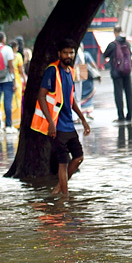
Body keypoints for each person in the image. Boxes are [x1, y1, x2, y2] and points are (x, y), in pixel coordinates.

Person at [32, 39, 91, 196]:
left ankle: (59, 189)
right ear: (59, 54)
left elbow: (71, 100)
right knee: (63, 162)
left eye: (71, 52)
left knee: (78, 157)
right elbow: (41, 96)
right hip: (56, 125)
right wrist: (51, 122)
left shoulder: (70, 71)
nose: (68, 55)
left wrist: (83, 119)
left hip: (68, 124)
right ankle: (64, 198)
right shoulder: (52, 70)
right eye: (65, 52)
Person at [102, 25, 132, 123]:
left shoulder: (113, 44)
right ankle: (129, 115)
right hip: (127, 71)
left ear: (114, 32)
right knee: (129, 93)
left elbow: (105, 55)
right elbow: (130, 54)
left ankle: (121, 116)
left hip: (117, 73)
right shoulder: (127, 43)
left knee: (118, 94)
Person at [10, 38, 27, 126]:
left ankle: (8, 122)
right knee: (17, 101)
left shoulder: (6, 56)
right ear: (15, 48)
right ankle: (17, 123)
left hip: (8, 80)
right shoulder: (18, 56)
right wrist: (25, 80)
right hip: (17, 80)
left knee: (9, 101)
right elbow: (21, 71)